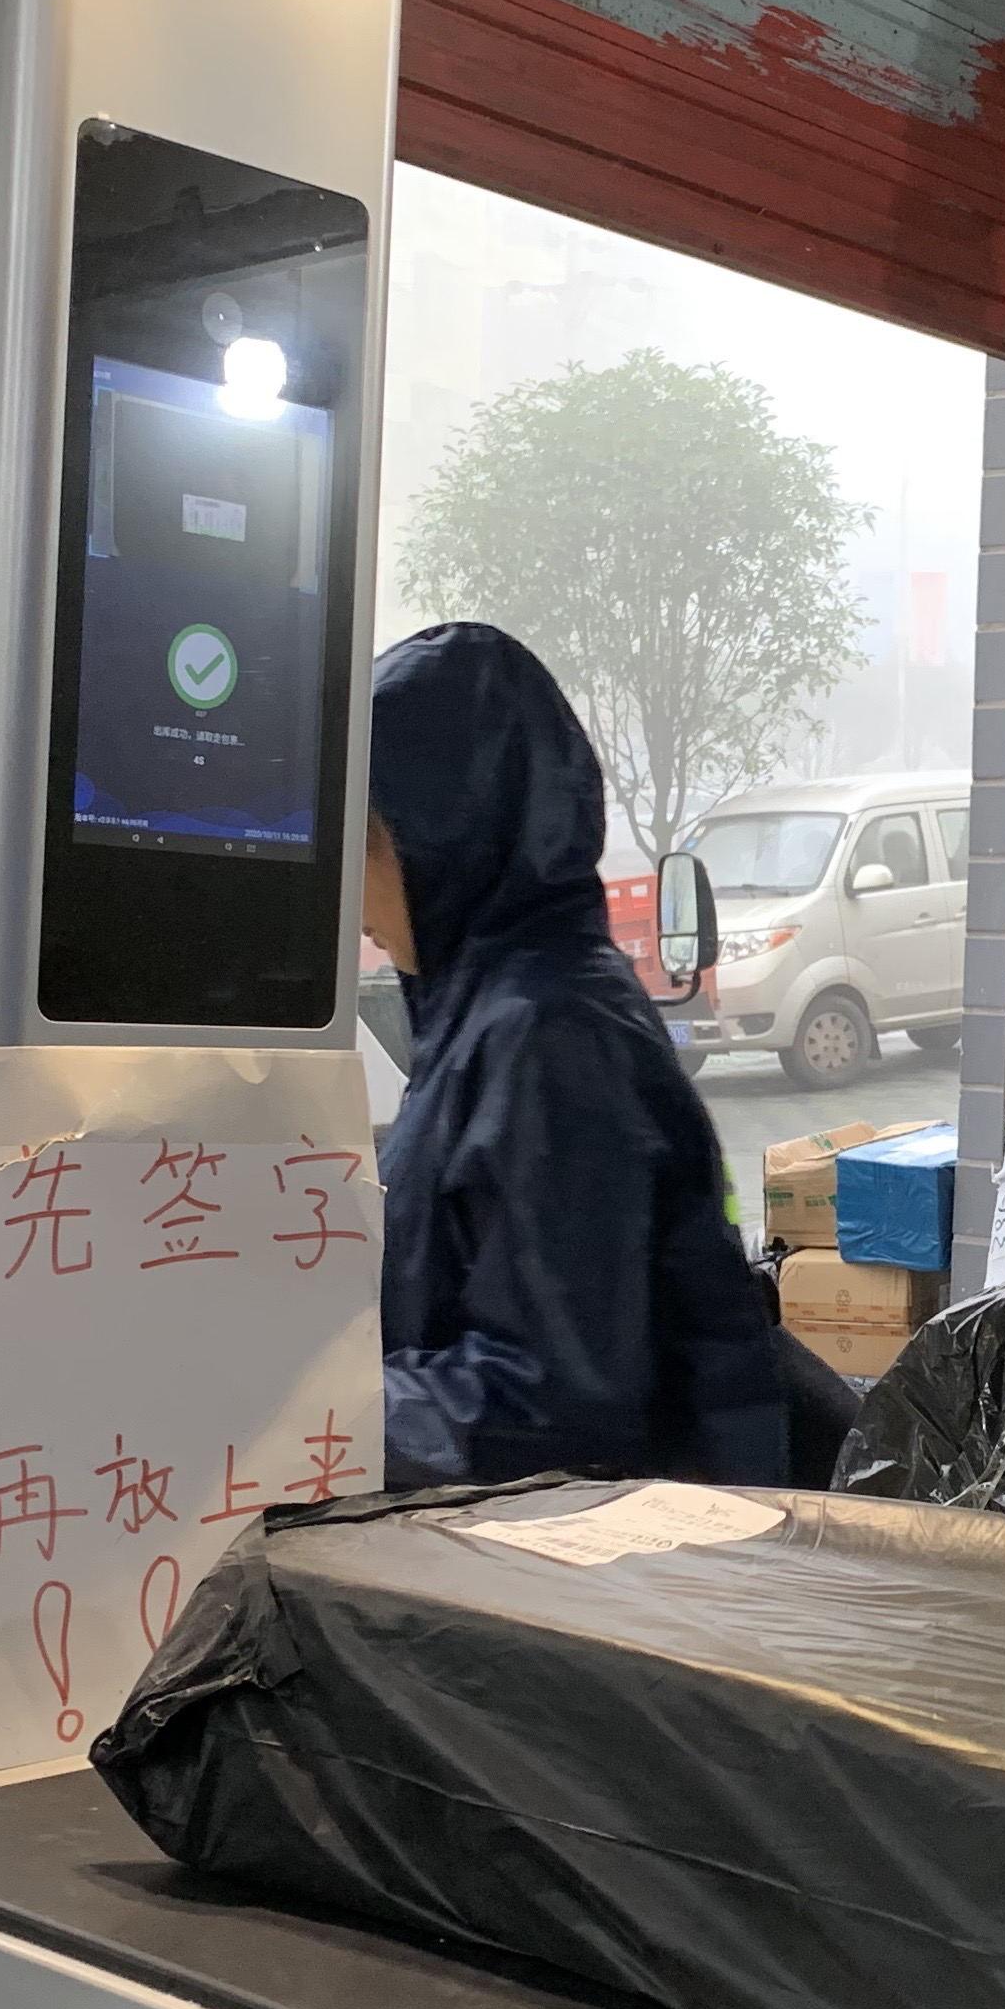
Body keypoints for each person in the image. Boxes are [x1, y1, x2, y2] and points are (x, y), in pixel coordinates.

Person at [368, 621, 787, 1489]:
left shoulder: (550, 1035)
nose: (345, 888)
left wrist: (316, 1413)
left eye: (364, 841)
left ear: (443, 839)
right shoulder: (482, 1013)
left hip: (606, 1546)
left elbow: (554, 1403)